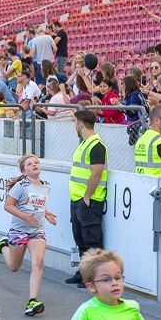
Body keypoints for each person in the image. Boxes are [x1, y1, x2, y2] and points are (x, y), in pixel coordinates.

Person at [0, 155, 57, 316]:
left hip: (37, 232)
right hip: (19, 231)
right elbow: (8, 205)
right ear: (24, 171)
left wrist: (46, 213)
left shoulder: (46, 186)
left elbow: (36, 206)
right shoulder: (21, 186)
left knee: (38, 262)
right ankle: (4, 246)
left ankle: (32, 300)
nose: (34, 165)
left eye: (36, 162)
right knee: (14, 267)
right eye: (30, 164)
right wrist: (25, 217)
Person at [66, 110, 107, 287]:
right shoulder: (84, 144)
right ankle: (83, 273)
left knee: (92, 240)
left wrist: (87, 196)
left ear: (80, 124)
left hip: (89, 200)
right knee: (80, 238)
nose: (74, 126)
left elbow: (96, 173)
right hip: (78, 198)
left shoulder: (96, 145)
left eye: (75, 122)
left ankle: (94, 277)